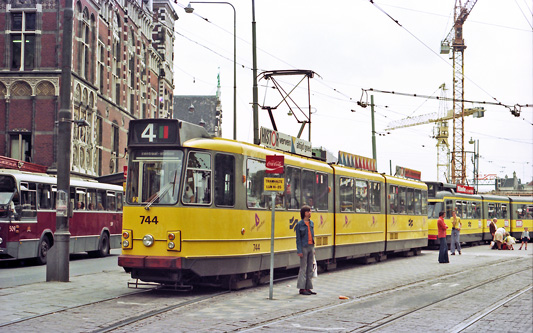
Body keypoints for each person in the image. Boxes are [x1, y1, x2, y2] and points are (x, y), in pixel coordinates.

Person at [295, 205, 316, 295]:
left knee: (310, 268)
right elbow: (298, 239)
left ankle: (308, 288)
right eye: (308, 211)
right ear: (304, 213)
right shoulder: (299, 224)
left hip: (311, 246)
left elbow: (312, 235)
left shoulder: (311, 223)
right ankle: (302, 288)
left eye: (310, 211)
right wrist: (299, 250)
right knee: (303, 268)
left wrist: (313, 248)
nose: (310, 213)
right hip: (303, 247)